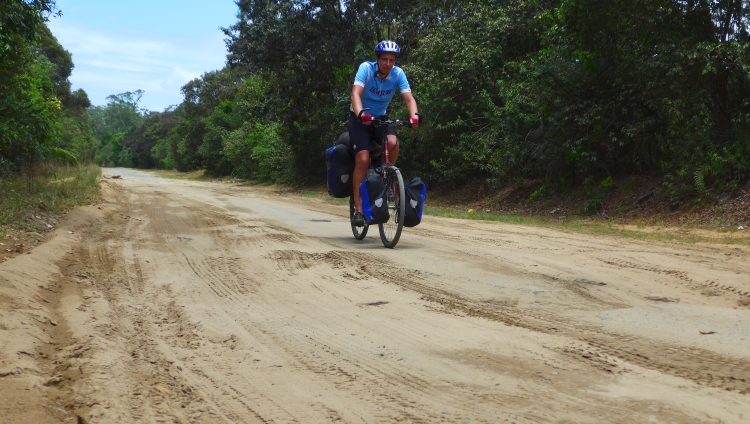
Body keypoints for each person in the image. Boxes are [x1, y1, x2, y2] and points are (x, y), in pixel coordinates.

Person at [349, 40, 420, 226]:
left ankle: (384, 175)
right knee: (363, 160)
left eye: (392, 60)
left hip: (380, 118)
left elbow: (409, 98)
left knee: (394, 142)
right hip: (360, 118)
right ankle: (358, 211)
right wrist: (361, 113)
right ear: (377, 59)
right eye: (384, 59)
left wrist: (414, 117)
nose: (388, 64)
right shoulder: (365, 68)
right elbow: (355, 94)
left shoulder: (398, 74)